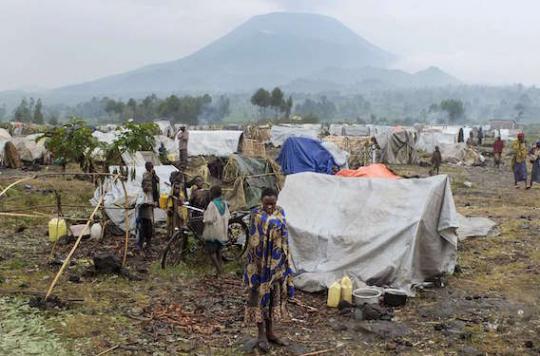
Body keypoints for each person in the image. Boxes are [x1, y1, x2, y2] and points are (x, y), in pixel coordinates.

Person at [244, 187, 294, 353]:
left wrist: (284, 263)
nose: (270, 207)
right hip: (259, 267)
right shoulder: (256, 215)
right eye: (267, 204)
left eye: (272, 203)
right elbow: (254, 241)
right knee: (259, 299)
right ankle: (261, 335)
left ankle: (271, 332)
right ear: (261, 201)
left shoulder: (281, 212)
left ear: (277, 201)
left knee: (273, 299)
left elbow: (284, 236)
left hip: (276, 267)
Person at [202, 186, 230, 276]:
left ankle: (219, 271)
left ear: (212, 194)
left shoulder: (212, 204)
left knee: (211, 252)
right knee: (219, 250)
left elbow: (209, 219)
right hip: (222, 230)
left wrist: (204, 214)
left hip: (212, 231)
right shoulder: (224, 203)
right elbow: (228, 215)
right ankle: (221, 268)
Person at [138, 162, 160, 250]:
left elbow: (156, 186)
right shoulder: (146, 176)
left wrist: (155, 200)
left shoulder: (153, 176)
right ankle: (144, 241)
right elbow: (146, 188)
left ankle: (148, 241)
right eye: (150, 167)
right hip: (146, 202)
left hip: (150, 200)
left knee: (148, 222)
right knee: (146, 223)